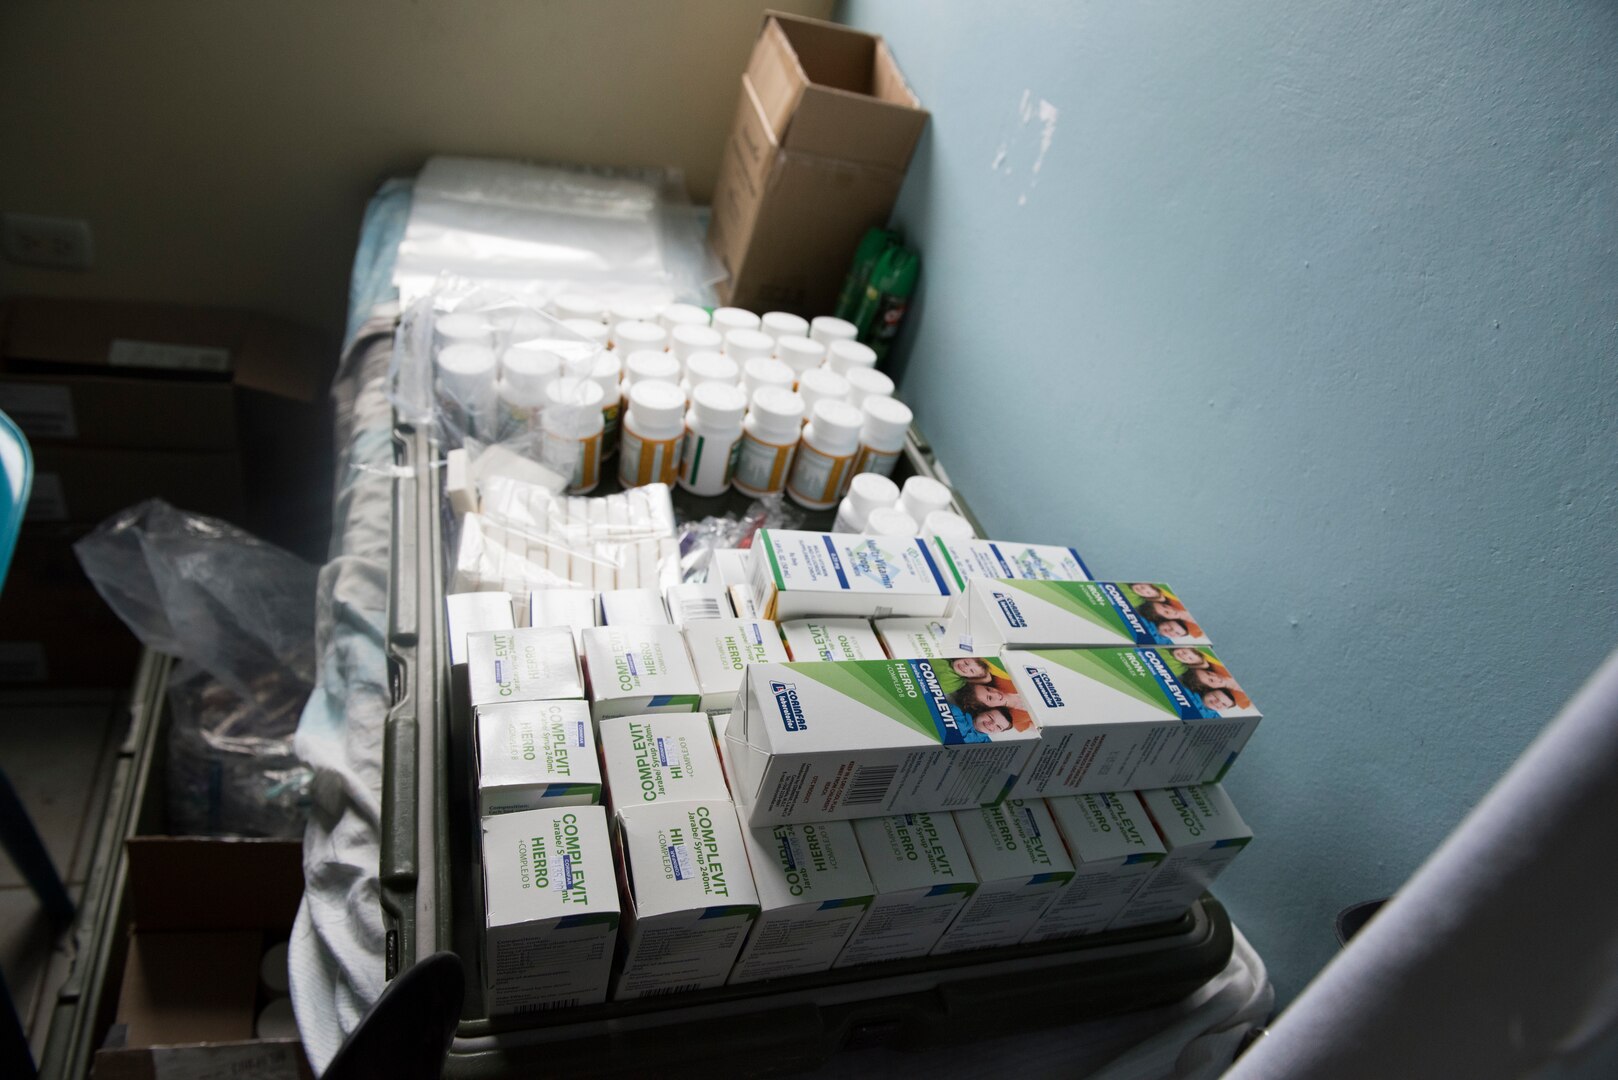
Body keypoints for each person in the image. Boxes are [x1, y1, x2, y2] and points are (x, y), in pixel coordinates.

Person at [955, 682, 1028, 714]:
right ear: (987, 707)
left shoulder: (1005, 680)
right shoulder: (1016, 720)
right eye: (990, 698)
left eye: (988, 689)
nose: (996, 693)